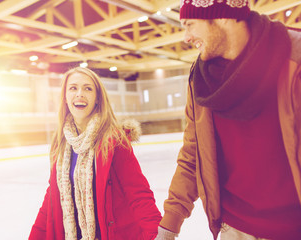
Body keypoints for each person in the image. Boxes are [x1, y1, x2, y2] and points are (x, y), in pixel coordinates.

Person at [155, 1, 301, 240]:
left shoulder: (294, 58)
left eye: (190, 24)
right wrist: (169, 225)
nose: (186, 37)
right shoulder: (201, 80)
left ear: (222, 16)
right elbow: (194, 155)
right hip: (235, 229)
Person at [29, 67, 161, 240]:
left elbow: (138, 195)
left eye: (88, 88)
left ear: (98, 98)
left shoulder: (114, 141)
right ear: (65, 97)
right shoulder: (61, 145)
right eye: (73, 88)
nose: (80, 94)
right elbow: (53, 198)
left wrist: (157, 234)